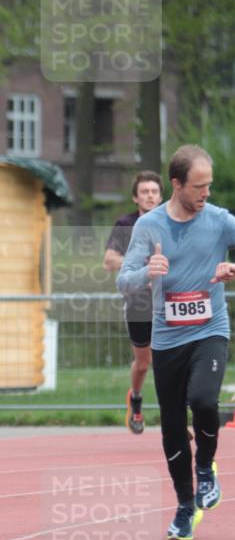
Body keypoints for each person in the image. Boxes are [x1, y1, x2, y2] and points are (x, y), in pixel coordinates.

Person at [118, 144, 235, 540]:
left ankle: (205, 469)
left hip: (210, 330)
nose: (205, 193)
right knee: (171, 427)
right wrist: (146, 273)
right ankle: (185, 506)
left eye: (209, 186)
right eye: (198, 186)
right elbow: (123, 279)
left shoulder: (220, 221)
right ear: (177, 184)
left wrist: (231, 267)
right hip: (167, 338)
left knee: (203, 400)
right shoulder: (149, 225)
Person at [104, 171, 163, 433]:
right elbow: (109, 261)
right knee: (143, 362)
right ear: (135, 197)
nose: (150, 195)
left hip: (168, 301)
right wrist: (143, 267)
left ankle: (174, 413)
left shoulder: (171, 222)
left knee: (171, 358)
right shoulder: (126, 224)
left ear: (161, 196)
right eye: (145, 192)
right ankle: (136, 398)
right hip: (139, 302)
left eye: (154, 191)